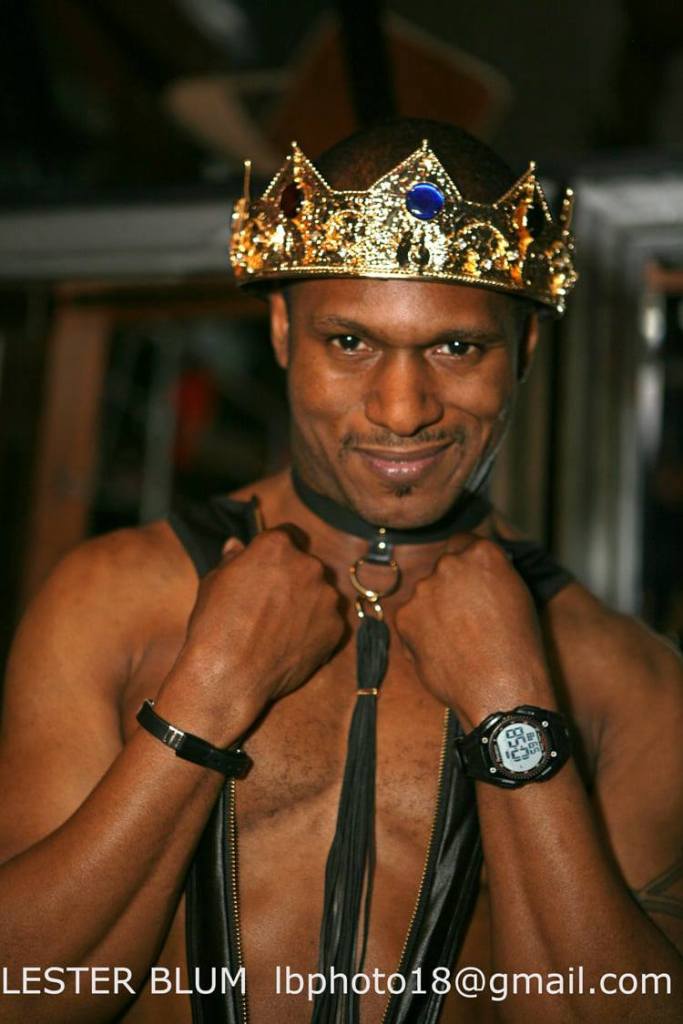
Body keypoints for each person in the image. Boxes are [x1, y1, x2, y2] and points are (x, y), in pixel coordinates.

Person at [0, 118, 682, 1024]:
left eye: (456, 348)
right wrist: (207, 696)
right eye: (350, 343)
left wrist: (513, 710)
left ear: (521, 351)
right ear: (283, 330)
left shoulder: (621, 676)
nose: (401, 411)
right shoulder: (114, 599)